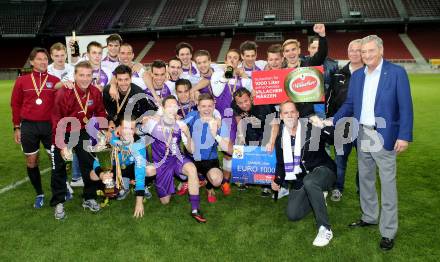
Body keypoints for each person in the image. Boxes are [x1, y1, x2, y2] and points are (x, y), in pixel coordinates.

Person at [332, 35, 413, 251]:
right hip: (363, 134)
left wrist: (404, 135)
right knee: (366, 179)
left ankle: (388, 231)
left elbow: (405, 106)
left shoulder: (396, 73)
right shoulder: (358, 75)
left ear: (381, 50)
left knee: (387, 184)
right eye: (363, 51)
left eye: (370, 51)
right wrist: (333, 119)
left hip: (384, 135)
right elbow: (349, 103)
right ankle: (369, 216)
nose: (366, 55)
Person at [271, 100, 336, 247]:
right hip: (301, 178)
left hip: (324, 170)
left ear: (298, 114)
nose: (289, 115)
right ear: (281, 116)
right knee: (293, 214)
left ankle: (325, 228)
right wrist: (277, 180)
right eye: (286, 113)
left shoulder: (310, 126)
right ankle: (318, 195)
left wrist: (321, 125)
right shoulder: (280, 137)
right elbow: (281, 163)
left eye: (292, 112)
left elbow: (334, 139)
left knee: (311, 182)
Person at [50, 61, 107, 220]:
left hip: (82, 130)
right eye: (81, 75)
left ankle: (89, 197)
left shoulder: (95, 91)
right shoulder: (64, 92)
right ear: (74, 75)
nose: (85, 79)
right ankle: (59, 202)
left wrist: (104, 130)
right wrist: (61, 145)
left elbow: (100, 111)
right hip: (64, 131)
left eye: (88, 75)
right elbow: (56, 119)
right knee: (59, 166)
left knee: (87, 163)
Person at [139, 96, 206, 223]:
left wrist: (188, 134)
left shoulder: (181, 125)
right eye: (169, 106)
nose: (172, 109)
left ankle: (195, 209)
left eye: (174, 106)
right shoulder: (153, 123)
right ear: (163, 109)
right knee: (165, 201)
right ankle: (177, 182)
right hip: (162, 164)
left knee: (192, 169)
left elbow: (191, 151)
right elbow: (138, 133)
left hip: (177, 159)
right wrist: (144, 122)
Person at [10, 47, 61, 208]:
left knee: (56, 161)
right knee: (32, 162)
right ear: (32, 62)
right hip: (29, 126)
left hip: (49, 126)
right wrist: (16, 127)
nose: (43, 62)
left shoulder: (55, 80)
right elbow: (15, 104)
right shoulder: (22, 81)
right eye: (39, 59)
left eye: (45, 59)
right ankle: (39, 193)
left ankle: (60, 190)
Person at [210, 49, 252, 195]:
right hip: (224, 120)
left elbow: (252, 92)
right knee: (227, 151)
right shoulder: (217, 75)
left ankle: (231, 179)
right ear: (226, 60)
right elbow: (216, 92)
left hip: (239, 119)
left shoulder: (243, 79)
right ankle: (218, 177)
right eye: (230, 58)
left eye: (235, 58)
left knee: (239, 150)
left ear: (239, 61)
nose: (233, 60)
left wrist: (244, 74)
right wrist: (228, 72)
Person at [326, 39, 364, 201]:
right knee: (340, 160)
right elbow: (331, 99)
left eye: (358, 50)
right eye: (351, 50)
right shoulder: (338, 73)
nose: (354, 53)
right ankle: (337, 188)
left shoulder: (370, 73)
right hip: (342, 125)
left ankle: (362, 189)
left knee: (365, 161)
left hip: (364, 126)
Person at [47, 42, 83, 188]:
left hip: (70, 112)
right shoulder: (47, 71)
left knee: (74, 144)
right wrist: (62, 83)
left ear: (66, 54)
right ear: (51, 56)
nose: (60, 58)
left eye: (62, 55)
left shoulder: (72, 69)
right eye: (56, 56)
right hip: (52, 113)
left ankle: (75, 177)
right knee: (56, 148)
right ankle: (62, 181)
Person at [232, 88, 279, 195]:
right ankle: (245, 177)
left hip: (268, 127)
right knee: (247, 148)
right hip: (251, 126)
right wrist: (240, 134)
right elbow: (239, 118)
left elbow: (275, 125)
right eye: (240, 103)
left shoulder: (264, 105)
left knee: (266, 150)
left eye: (246, 101)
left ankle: (266, 184)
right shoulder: (235, 105)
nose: (243, 105)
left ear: (251, 98)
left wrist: (271, 142)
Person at [184, 93, 226, 203]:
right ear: (198, 107)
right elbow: (179, 126)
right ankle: (196, 178)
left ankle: (208, 185)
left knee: (216, 180)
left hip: (209, 158)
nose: (207, 109)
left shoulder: (218, 123)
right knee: (181, 173)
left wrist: (217, 130)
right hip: (192, 156)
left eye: (209, 106)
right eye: (203, 106)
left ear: (213, 106)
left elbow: (225, 146)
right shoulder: (192, 116)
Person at [282, 23, 327, 118]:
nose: (291, 53)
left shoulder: (309, 64)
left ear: (299, 50)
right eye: (287, 51)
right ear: (284, 54)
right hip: (290, 116)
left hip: (309, 115)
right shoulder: (280, 73)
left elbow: (321, 54)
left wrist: (322, 36)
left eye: (293, 49)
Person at [306, 36, 339, 119]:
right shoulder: (301, 63)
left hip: (323, 104)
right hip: (305, 104)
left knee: (321, 127)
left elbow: (335, 88)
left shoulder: (333, 65)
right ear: (308, 48)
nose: (317, 51)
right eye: (313, 48)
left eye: (319, 48)